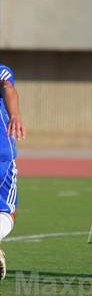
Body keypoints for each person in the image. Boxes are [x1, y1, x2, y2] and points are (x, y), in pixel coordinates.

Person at [0, 63, 25, 280]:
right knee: (8, 211)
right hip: (2, 153)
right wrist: (15, 115)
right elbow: (7, 85)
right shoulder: (2, 69)